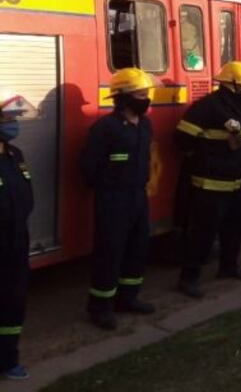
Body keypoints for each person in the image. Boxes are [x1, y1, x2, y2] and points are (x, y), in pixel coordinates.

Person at [175, 62, 241, 299]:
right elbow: (182, 139)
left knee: (236, 228)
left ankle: (229, 266)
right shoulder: (206, 107)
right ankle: (189, 277)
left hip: (240, 182)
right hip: (211, 184)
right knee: (203, 233)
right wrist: (206, 157)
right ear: (230, 85)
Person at [80, 68, 158, 330]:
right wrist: (109, 187)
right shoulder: (105, 128)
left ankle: (129, 299)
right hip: (113, 199)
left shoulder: (145, 124)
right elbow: (89, 167)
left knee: (137, 249)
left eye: (146, 93)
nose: (145, 98)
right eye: (140, 94)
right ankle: (100, 307)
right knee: (109, 252)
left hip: (138, 196)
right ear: (123, 97)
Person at [0, 90, 38, 380]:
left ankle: (8, 359)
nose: (13, 125)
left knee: (13, 301)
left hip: (16, 239)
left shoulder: (15, 154)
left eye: (14, 118)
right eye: (6, 119)